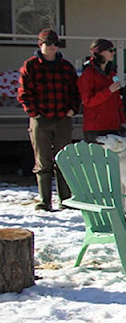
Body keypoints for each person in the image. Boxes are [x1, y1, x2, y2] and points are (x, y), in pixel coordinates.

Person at [17, 29, 80, 211]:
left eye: (54, 44)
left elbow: (75, 92)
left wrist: (72, 109)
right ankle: (45, 200)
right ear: (40, 45)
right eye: (48, 43)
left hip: (62, 118)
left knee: (63, 160)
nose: (52, 47)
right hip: (40, 118)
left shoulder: (65, 67)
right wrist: (33, 113)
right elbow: (24, 93)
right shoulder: (31, 66)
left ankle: (66, 199)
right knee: (43, 160)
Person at [78, 38, 124, 143]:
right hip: (96, 127)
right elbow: (87, 101)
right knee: (97, 158)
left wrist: (121, 120)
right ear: (100, 52)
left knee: (113, 158)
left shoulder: (111, 73)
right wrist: (108, 91)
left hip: (113, 124)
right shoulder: (88, 74)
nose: (113, 53)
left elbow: (117, 101)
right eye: (110, 50)